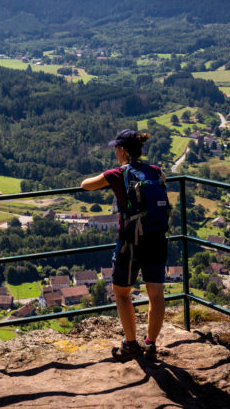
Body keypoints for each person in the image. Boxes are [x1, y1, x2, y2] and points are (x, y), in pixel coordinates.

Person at [81, 129, 168, 362]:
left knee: (121, 293)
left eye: (116, 149)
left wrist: (109, 177)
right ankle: (150, 344)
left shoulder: (117, 174)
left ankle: (131, 344)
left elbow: (85, 185)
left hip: (130, 242)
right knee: (156, 294)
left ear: (122, 151)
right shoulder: (156, 171)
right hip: (157, 238)